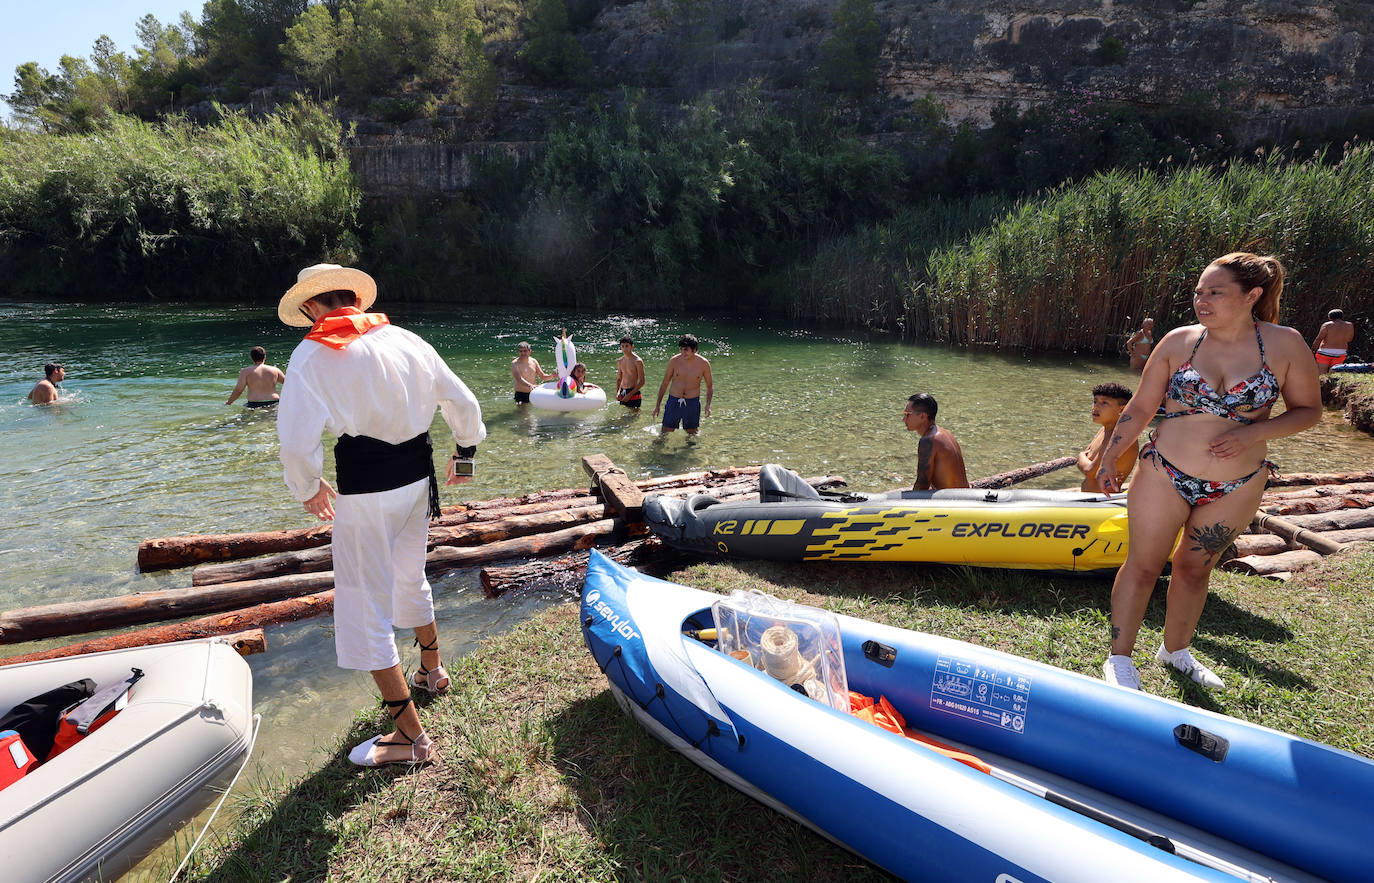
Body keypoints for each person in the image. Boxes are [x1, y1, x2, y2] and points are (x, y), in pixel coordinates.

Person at [276, 263, 486, 766]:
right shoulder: (407, 339)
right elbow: (463, 401)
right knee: (408, 578)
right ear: (356, 299)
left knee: (363, 605)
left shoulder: (313, 353)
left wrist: (308, 486)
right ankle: (431, 672)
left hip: (367, 491)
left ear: (311, 307)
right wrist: (466, 454)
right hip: (418, 481)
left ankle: (411, 740)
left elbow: (296, 440)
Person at [1095, 253, 1320, 692]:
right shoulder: (1180, 341)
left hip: (1237, 483)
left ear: (1252, 295)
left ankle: (1175, 651)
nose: (1203, 300)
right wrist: (1109, 456)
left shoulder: (1284, 344)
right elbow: (1141, 407)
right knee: (1143, 565)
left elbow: (1308, 411)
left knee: (1195, 569)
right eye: (1199, 291)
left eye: (1215, 292)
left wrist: (1254, 434)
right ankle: (1119, 660)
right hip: (1164, 472)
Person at [1076, 382, 1138, 493]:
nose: (1095, 407)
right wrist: (1084, 461)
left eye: (1104, 403)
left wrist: (1080, 457)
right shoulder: (1105, 429)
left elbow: (1090, 471)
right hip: (1090, 499)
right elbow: (1089, 461)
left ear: (1121, 409)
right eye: (1095, 401)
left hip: (1103, 502)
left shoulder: (1117, 435)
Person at [902, 393, 969, 490]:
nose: (903, 419)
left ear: (923, 416)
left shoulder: (928, 440)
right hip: (964, 495)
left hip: (951, 501)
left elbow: (922, 485)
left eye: (907, 415)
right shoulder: (946, 433)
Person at [652, 334, 713, 435]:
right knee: (665, 431)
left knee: (692, 433)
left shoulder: (704, 364)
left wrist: (708, 405)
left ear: (694, 350)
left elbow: (709, 386)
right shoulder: (674, 361)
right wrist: (657, 405)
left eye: (686, 350)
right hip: (674, 400)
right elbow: (665, 383)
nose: (682, 352)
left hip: (692, 402)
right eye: (681, 349)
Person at [614, 335, 645, 409]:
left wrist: (630, 395)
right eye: (622, 346)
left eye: (627, 346)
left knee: (634, 416)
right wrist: (618, 392)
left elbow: (642, 381)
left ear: (632, 346)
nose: (624, 348)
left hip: (634, 392)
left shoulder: (638, 361)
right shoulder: (620, 361)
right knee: (623, 416)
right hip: (622, 392)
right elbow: (619, 379)